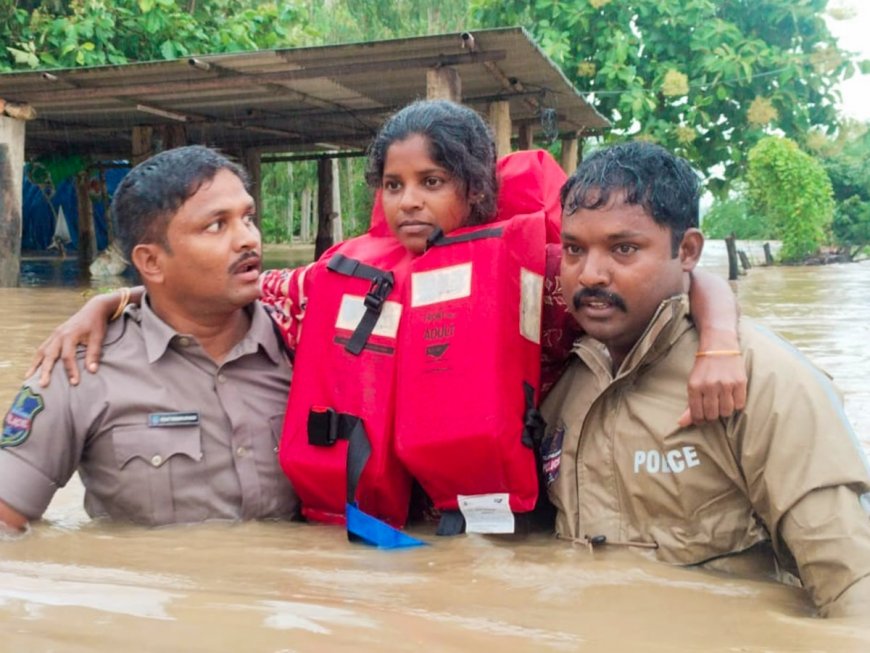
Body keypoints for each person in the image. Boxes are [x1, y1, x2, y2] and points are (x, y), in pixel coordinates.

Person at [26, 101, 744, 534]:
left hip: (501, 521)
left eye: (433, 183)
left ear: (478, 191)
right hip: (385, 530)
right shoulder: (322, 289)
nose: (410, 201)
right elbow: (219, 292)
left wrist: (721, 338)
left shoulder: (544, 280)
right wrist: (107, 300)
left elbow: (670, 281)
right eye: (395, 185)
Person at [540, 140, 870, 617]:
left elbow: (852, 589)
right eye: (574, 249)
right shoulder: (563, 381)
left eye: (624, 249)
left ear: (688, 250)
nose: (590, 274)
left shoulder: (765, 381)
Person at [0, 146, 298, 530]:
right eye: (216, 226)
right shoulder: (80, 369)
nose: (248, 240)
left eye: (248, 218)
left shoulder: (304, 342)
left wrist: (115, 297)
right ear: (151, 262)